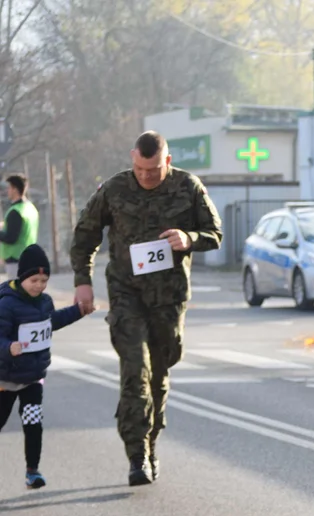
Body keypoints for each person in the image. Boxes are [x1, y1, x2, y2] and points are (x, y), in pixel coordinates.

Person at [70, 131, 223, 486]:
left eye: (153, 170)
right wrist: (83, 280)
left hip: (169, 300)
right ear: (132, 159)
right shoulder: (114, 189)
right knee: (134, 372)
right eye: (140, 168)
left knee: (158, 375)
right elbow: (85, 235)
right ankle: (136, 455)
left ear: (166, 161)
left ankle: (151, 445)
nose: (146, 176)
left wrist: (190, 239)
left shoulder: (188, 186)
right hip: (126, 296)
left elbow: (215, 232)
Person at [0, 245, 91, 488]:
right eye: (34, 280)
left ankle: (33, 471)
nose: (39, 285)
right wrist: (8, 347)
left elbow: (53, 322)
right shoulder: (6, 305)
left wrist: (78, 311)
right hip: (5, 379)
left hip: (32, 379)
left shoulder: (44, 302)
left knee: (33, 423)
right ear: (22, 278)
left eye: (44, 280)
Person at [0, 174, 40, 281]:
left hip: (16, 259)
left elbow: (11, 238)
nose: (7, 191)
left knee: (17, 294)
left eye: (9, 188)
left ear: (15, 189)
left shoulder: (15, 211)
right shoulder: (30, 208)